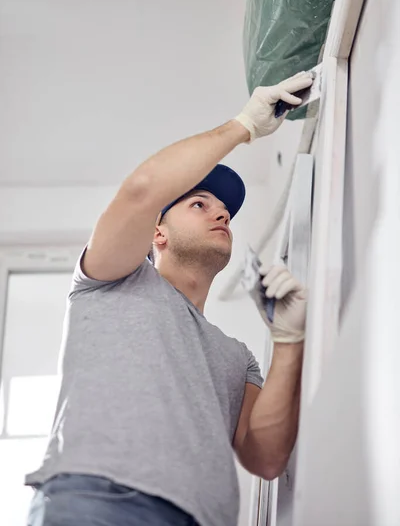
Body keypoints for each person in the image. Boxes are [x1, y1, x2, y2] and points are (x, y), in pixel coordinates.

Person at [25, 72, 311, 526]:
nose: (221, 212)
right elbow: (143, 190)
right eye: (199, 203)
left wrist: (290, 338)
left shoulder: (237, 359)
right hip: (98, 502)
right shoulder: (110, 278)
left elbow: (267, 458)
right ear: (156, 232)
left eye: (225, 212)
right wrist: (244, 126)